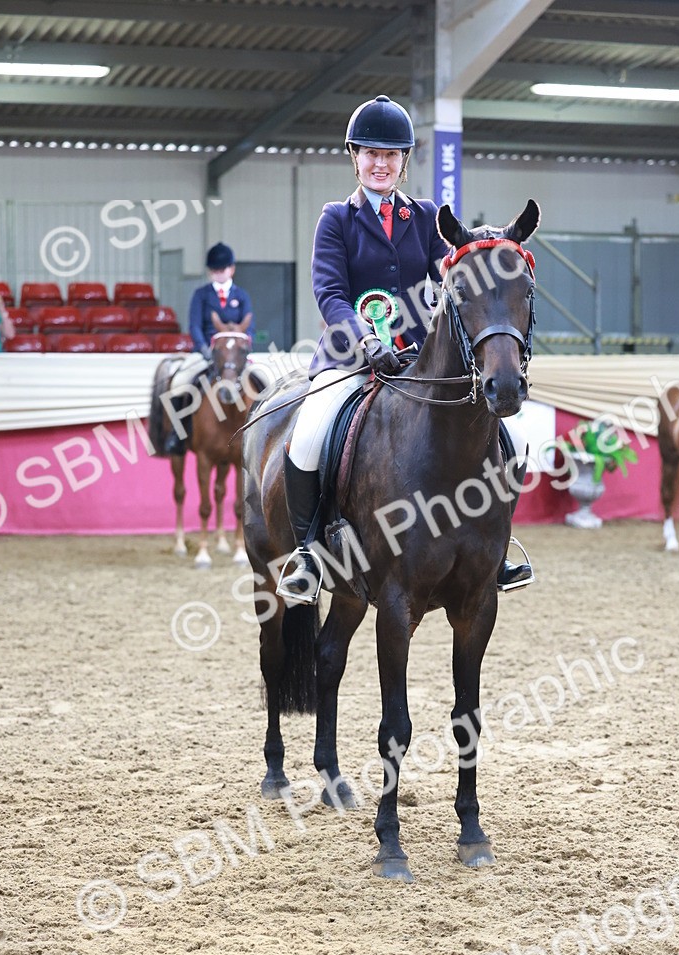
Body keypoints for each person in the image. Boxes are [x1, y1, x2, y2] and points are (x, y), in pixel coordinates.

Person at [278, 94, 533, 603]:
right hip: (351, 359)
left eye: (390, 155)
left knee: (513, 439)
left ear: (403, 161)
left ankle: (495, 547)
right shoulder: (337, 219)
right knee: (308, 434)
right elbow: (330, 293)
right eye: (370, 153)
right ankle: (308, 551)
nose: (380, 164)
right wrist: (366, 339)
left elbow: (457, 276)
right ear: (354, 157)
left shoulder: (426, 217)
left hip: (419, 362)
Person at [163, 243, 255, 455]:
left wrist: (244, 347)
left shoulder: (242, 296)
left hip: (235, 355)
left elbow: (250, 326)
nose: (218, 274)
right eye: (214, 271)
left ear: (231, 269)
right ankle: (177, 435)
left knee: (263, 380)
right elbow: (194, 324)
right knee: (180, 381)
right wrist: (204, 349)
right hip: (206, 352)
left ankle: (259, 430)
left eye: (222, 270)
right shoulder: (201, 295)